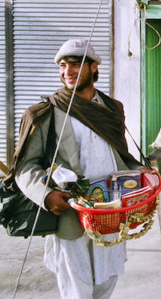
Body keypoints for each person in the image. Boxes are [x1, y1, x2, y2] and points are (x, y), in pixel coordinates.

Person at [13, 39, 144, 299]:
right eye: (63, 65)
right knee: (77, 285)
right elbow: (26, 167)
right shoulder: (47, 113)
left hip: (109, 209)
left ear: (94, 67)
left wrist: (143, 172)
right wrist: (46, 195)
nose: (67, 71)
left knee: (108, 277)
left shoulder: (111, 109)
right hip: (71, 213)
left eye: (76, 64)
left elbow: (120, 155)